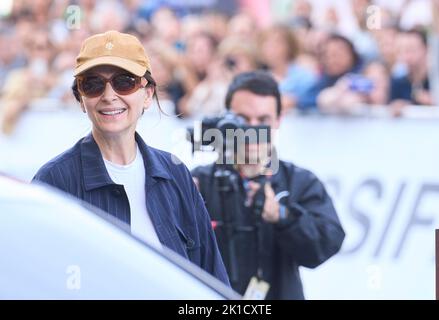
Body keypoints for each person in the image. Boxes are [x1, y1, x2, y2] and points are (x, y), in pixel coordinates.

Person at [32, 30, 229, 285]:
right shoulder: (55, 181)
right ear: (81, 99)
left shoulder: (175, 173)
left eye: (124, 81)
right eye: (92, 84)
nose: (109, 95)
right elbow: (37, 279)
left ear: (147, 94)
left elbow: (211, 277)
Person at [191, 71, 345, 299]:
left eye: (263, 121)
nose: (252, 130)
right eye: (242, 120)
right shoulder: (199, 182)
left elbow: (324, 246)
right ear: (227, 119)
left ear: (278, 121)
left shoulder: (299, 181)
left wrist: (283, 216)